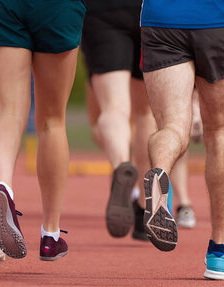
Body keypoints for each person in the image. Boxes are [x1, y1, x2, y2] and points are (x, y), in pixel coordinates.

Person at [140, 0, 224, 280]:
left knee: (172, 126)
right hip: (218, 19)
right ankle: (219, 251)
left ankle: (160, 171)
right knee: (220, 131)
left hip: (161, 19)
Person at [0, 0, 86, 261]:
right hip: (56, 8)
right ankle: (51, 234)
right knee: (52, 120)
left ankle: (4, 186)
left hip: (2, 6)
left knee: (10, 114)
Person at [80, 1, 199, 242]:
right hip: (150, 11)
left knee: (113, 107)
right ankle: (145, 207)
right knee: (146, 112)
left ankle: (121, 167)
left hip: (102, 12)